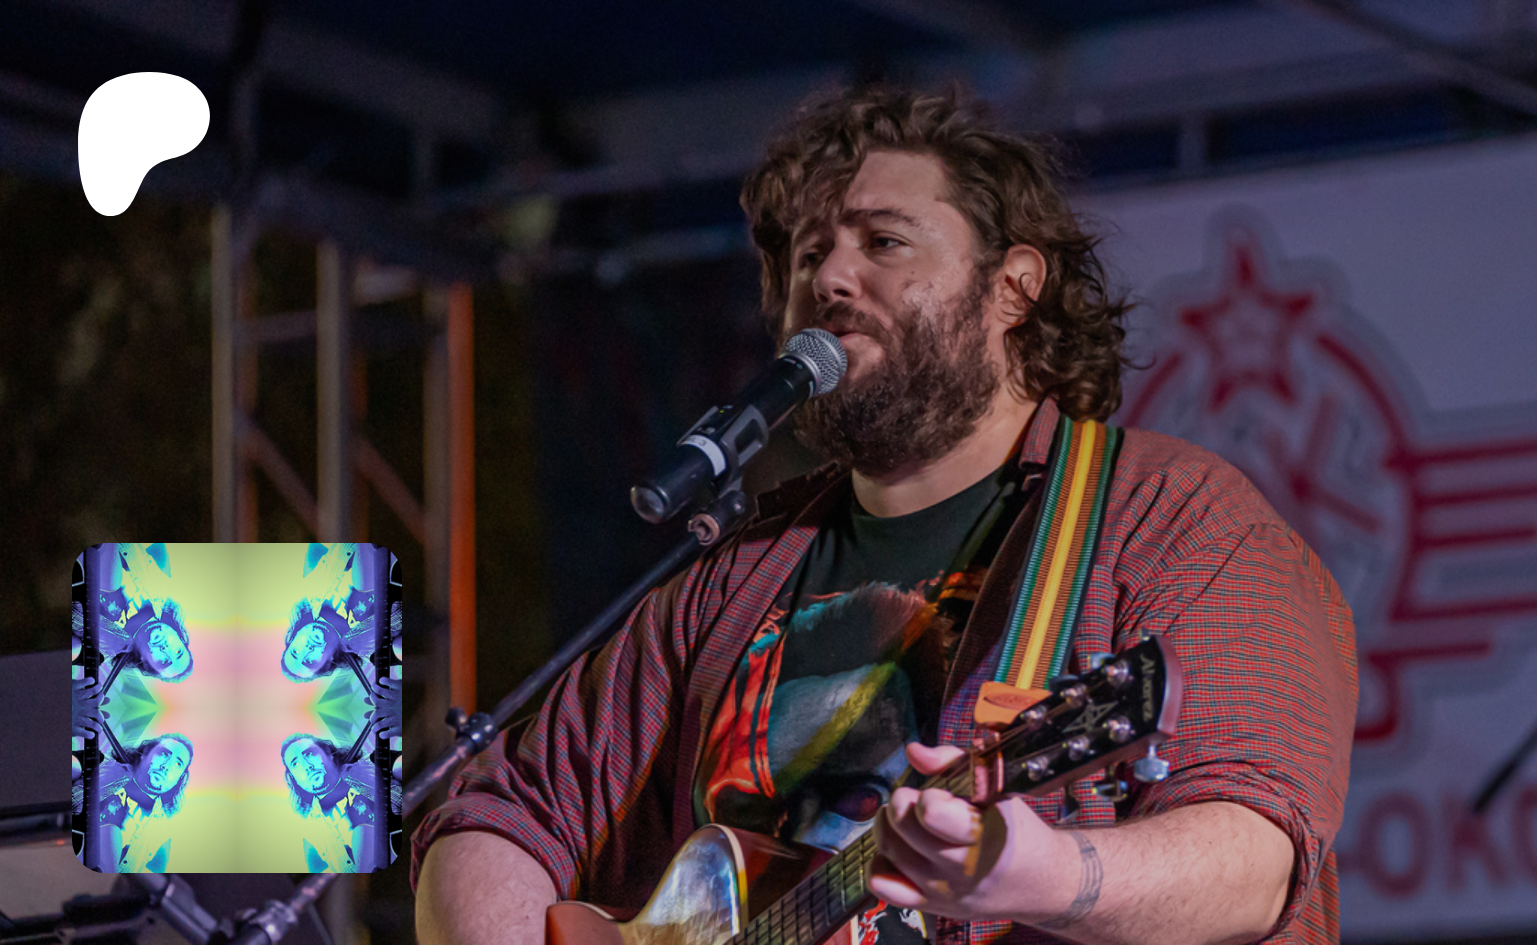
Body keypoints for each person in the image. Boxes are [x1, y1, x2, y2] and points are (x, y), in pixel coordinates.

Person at [413, 86, 1356, 945]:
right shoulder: (733, 575)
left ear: (1014, 286)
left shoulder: (1173, 517)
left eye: (883, 242)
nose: (829, 277)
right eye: (809, 254)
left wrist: (1048, 875)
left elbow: (1258, 853)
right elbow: (497, 815)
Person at [281, 733, 388, 872]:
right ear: (293, 778)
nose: (307, 766)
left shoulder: (373, 777)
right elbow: (321, 880)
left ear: (327, 752)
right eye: (295, 764)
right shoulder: (310, 834)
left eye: (309, 754)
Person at [90, 733, 194, 872]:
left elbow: (154, 877)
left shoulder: (162, 834)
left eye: (177, 764)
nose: (166, 766)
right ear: (146, 752)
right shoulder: (99, 778)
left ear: (179, 778)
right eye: (164, 754)